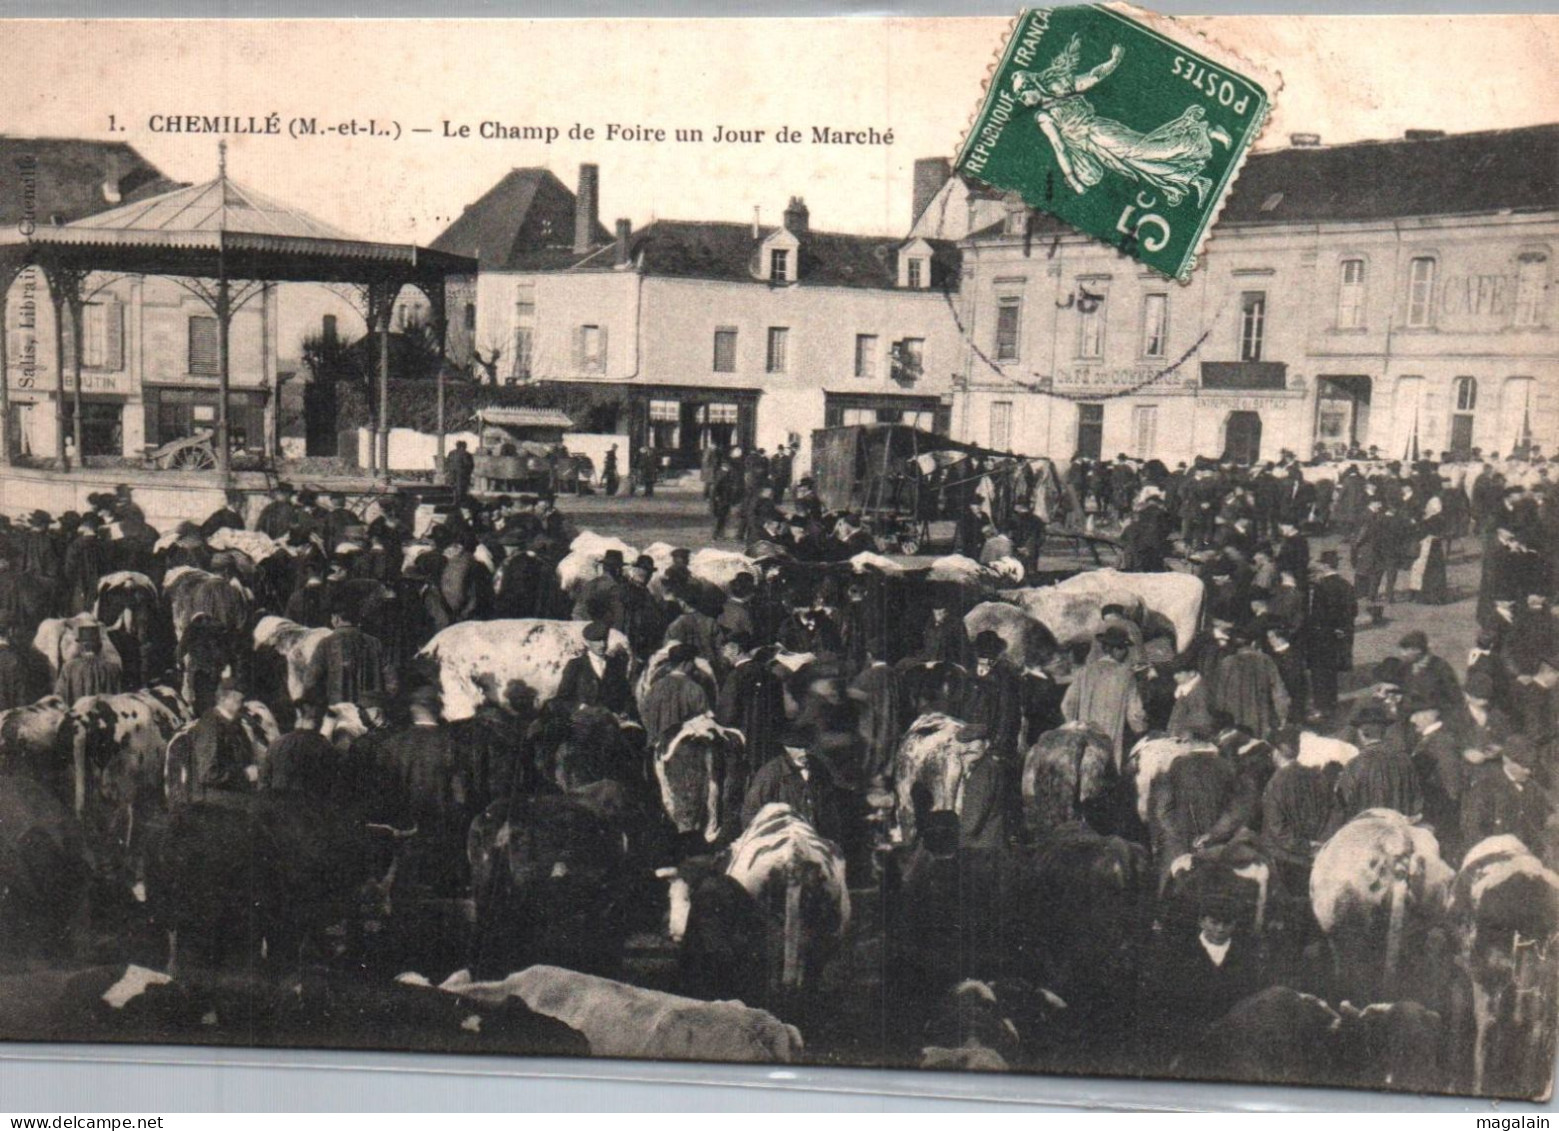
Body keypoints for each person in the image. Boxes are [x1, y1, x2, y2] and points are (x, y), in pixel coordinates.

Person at [1061, 625, 1148, 770]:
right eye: (1123, 648)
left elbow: (1067, 704)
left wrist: (1073, 726)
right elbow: (1135, 715)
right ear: (1114, 650)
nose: (1126, 652)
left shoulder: (1085, 671)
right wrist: (1142, 730)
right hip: (1109, 744)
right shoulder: (1126, 675)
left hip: (1082, 739)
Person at [740, 722, 840, 840]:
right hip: (783, 841)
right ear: (787, 747)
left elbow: (830, 809)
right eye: (798, 747)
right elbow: (750, 812)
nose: (804, 752)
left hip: (815, 840)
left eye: (807, 747)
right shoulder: (772, 772)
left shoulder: (819, 769)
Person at [1460, 735, 1552, 854]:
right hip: (1496, 855)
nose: (1527, 772)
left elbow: (1546, 818)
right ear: (1506, 760)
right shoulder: (1484, 789)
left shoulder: (1534, 788)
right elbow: (1472, 830)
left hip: (1530, 855)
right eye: (1523, 766)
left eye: (1531, 767)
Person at [303, 596, 394, 708]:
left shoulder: (326, 643)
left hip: (338, 712)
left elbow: (310, 681)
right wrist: (383, 701)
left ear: (336, 619)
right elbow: (391, 678)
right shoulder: (374, 643)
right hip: (371, 712)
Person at [1305, 551, 1356, 720]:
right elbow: (1352, 611)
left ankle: (1322, 707)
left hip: (1322, 637)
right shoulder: (1346, 585)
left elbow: (1318, 615)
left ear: (1325, 565)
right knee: (1332, 674)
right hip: (1339, 638)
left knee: (1319, 674)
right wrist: (1341, 629)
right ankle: (1332, 705)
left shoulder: (1321, 586)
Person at [555, 620, 633, 714]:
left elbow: (626, 695)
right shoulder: (575, 665)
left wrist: (624, 712)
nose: (602, 644)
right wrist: (580, 707)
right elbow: (562, 698)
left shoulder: (615, 665)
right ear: (587, 642)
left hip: (610, 720)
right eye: (597, 640)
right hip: (583, 720)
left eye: (604, 639)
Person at [55, 622, 122, 702]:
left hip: (75, 714)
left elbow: (58, 698)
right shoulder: (113, 669)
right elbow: (121, 700)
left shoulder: (68, 668)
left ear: (80, 647)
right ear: (100, 646)